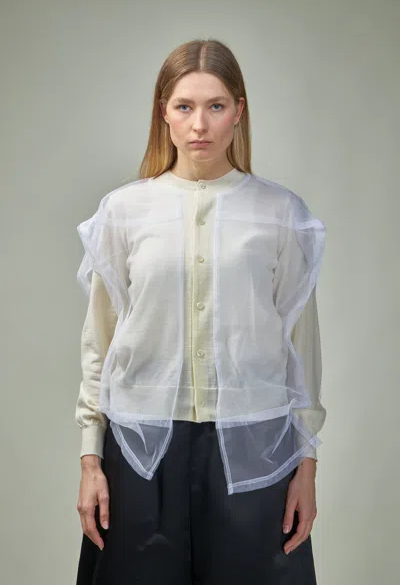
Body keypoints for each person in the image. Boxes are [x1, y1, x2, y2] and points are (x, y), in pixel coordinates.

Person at [75, 38, 327, 584]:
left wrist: (306, 465)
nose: (199, 124)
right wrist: (91, 457)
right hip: (141, 444)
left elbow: (301, 348)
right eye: (184, 106)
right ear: (163, 113)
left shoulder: (281, 214)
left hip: (255, 443)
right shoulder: (123, 212)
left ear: (239, 111)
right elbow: (101, 342)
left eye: (216, 105)